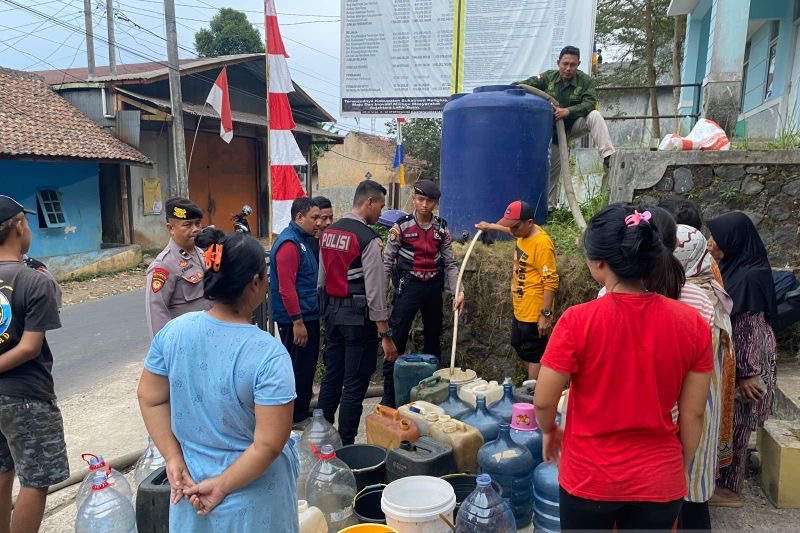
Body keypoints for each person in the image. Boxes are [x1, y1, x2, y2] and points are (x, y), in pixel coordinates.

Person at [533, 203, 712, 530]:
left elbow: (544, 400)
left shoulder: (578, 321)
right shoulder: (692, 324)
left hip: (589, 479)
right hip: (659, 480)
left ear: (599, 263)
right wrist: (677, 466)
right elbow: (693, 414)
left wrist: (549, 431)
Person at [138, 229, 298, 531]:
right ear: (255, 283)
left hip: (190, 485)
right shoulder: (268, 354)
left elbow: (150, 397)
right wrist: (222, 485)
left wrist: (173, 458)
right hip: (253, 501)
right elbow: (268, 444)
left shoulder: (173, 332)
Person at [0, 195, 69, 533]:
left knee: (2, 473)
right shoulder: (34, 280)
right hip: (26, 397)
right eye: (26, 222)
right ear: (18, 226)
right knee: (36, 479)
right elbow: (29, 347)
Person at [317, 180, 398, 445]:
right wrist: (384, 333)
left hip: (332, 314)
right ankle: (347, 446)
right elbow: (375, 290)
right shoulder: (368, 239)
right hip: (358, 319)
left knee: (332, 377)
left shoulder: (329, 232)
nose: (381, 213)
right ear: (369, 202)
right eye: (381, 206)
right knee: (354, 384)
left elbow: (322, 279)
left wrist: (325, 313)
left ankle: (321, 437)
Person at [706, 212, 777, 508]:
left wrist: (748, 373)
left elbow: (748, 328)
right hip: (741, 358)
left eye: (716, 239)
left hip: (749, 362)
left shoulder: (749, 277)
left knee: (737, 424)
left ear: (733, 241)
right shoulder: (739, 267)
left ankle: (730, 490)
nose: (710, 244)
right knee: (731, 423)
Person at [380, 180, 465, 407]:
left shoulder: (441, 228)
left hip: (433, 287)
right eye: (420, 199)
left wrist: (459, 290)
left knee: (433, 337)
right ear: (414, 199)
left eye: (429, 201)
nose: (424, 204)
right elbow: (387, 261)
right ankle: (389, 397)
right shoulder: (401, 227)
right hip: (408, 286)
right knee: (396, 336)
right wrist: (379, 293)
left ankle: (431, 393)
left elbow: (450, 263)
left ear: (436, 203)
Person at [673, 223, 735, 529]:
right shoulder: (710, 287)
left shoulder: (689, 296)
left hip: (688, 402)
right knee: (692, 483)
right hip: (705, 398)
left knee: (683, 481)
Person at [515, 45, 615, 210]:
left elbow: (590, 102)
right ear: (558, 63)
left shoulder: (584, 81)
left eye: (573, 65)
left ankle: (608, 156)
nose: (568, 68)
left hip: (574, 125)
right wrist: (508, 89)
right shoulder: (547, 78)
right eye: (565, 64)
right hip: (554, 133)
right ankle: (550, 208)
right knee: (552, 171)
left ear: (578, 64)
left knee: (595, 116)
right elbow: (524, 85)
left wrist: (568, 111)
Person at [476, 200, 559, 380]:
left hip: (534, 309)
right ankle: (532, 382)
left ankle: (531, 391)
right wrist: (491, 226)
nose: (512, 231)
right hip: (520, 306)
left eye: (515, 226)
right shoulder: (522, 233)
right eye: (510, 226)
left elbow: (551, 281)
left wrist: (545, 314)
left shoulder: (542, 244)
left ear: (529, 222)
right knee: (518, 344)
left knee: (534, 352)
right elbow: (510, 230)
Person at [269, 198, 322, 425]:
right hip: (297, 319)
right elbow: (286, 288)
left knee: (306, 365)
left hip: (307, 313)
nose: (319, 222)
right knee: (298, 367)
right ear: (299, 218)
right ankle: (294, 416)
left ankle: (301, 409)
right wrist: (297, 321)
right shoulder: (289, 244)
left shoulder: (302, 240)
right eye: (314, 218)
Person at [146, 197, 211, 339]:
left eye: (198, 224)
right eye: (187, 225)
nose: (195, 229)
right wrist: (164, 353)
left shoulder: (201, 253)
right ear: (171, 228)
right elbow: (157, 314)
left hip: (207, 338)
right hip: (184, 343)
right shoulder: (163, 266)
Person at [309, 196, 334, 261]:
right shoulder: (305, 243)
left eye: (331, 218)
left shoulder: (335, 241)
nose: (329, 222)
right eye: (324, 218)